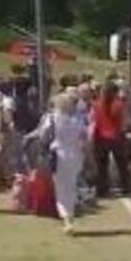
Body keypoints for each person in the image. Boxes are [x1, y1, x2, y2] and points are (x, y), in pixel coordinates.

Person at [35, 93, 87, 234]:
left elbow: (43, 135)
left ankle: (67, 218)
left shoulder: (52, 117)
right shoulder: (78, 119)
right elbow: (83, 139)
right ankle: (69, 216)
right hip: (75, 155)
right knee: (71, 187)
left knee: (61, 189)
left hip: (58, 155)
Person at [92, 81, 130, 197]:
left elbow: (94, 121)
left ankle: (102, 188)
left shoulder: (97, 104)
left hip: (100, 137)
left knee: (102, 165)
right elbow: (122, 122)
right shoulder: (119, 105)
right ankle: (126, 186)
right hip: (115, 136)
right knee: (121, 163)